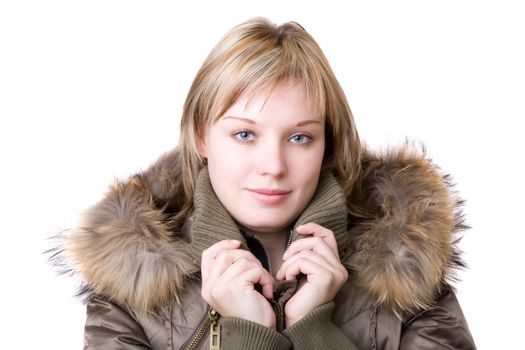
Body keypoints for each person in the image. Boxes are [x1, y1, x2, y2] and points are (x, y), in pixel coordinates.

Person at [51, 17, 476, 349]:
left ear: (327, 143)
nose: (273, 165)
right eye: (244, 135)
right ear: (202, 136)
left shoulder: (407, 273)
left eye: (299, 137)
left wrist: (315, 333)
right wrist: (246, 337)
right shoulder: (131, 287)